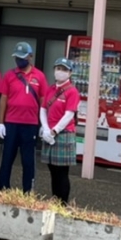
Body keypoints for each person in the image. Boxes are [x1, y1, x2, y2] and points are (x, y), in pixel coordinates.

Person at [0, 41, 49, 193]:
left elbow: (43, 101)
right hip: (11, 122)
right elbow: (3, 99)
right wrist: (1, 123)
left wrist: (43, 124)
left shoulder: (39, 76)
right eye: (17, 57)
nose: (19, 60)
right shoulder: (9, 75)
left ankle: (28, 190)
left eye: (22, 57)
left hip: (30, 124)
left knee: (28, 160)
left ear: (30, 57)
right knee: (7, 157)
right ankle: (2, 187)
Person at [41, 58, 81, 202]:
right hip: (49, 132)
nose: (60, 72)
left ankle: (62, 202)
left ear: (70, 73)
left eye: (64, 69)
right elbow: (43, 109)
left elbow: (69, 114)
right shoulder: (50, 89)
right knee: (52, 170)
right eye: (58, 68)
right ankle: (55, 199)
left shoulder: (72, 91)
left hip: (63, 134)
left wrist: (54, 131)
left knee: (62, 172)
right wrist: (45, 128)